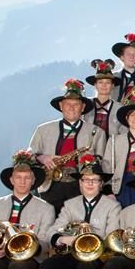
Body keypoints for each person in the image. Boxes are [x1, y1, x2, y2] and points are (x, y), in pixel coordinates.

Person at [30, 156, 120, 269]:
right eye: (86, 180)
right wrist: (63, 238)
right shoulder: (70, 204)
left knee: (87, 268)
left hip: (97, 256)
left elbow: (111, 235)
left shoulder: (112, 206)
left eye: (94, 180)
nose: (90, 183)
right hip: (71, 253)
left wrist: (90, 239)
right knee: (46, 267)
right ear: (80, 183)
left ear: (101, 184)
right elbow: (53, 230)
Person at [29, 79, 108, 214]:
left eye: (76, 104)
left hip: (80, 188)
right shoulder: (43, 130)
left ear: (83, 107)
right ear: (61, 106)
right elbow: (29, 156)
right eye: (67, 104)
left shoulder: (97, 132)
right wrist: (42, 157)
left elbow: (103, 164)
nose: (72, 108)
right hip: (50, 186)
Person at [83, 58, 123, 138]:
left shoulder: (119, 108)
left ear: (112, 86)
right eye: (100, 82)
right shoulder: (86, 105)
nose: (104, 85)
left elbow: (123, 133)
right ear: (95, 85)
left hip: (111, 144)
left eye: (108, 82)